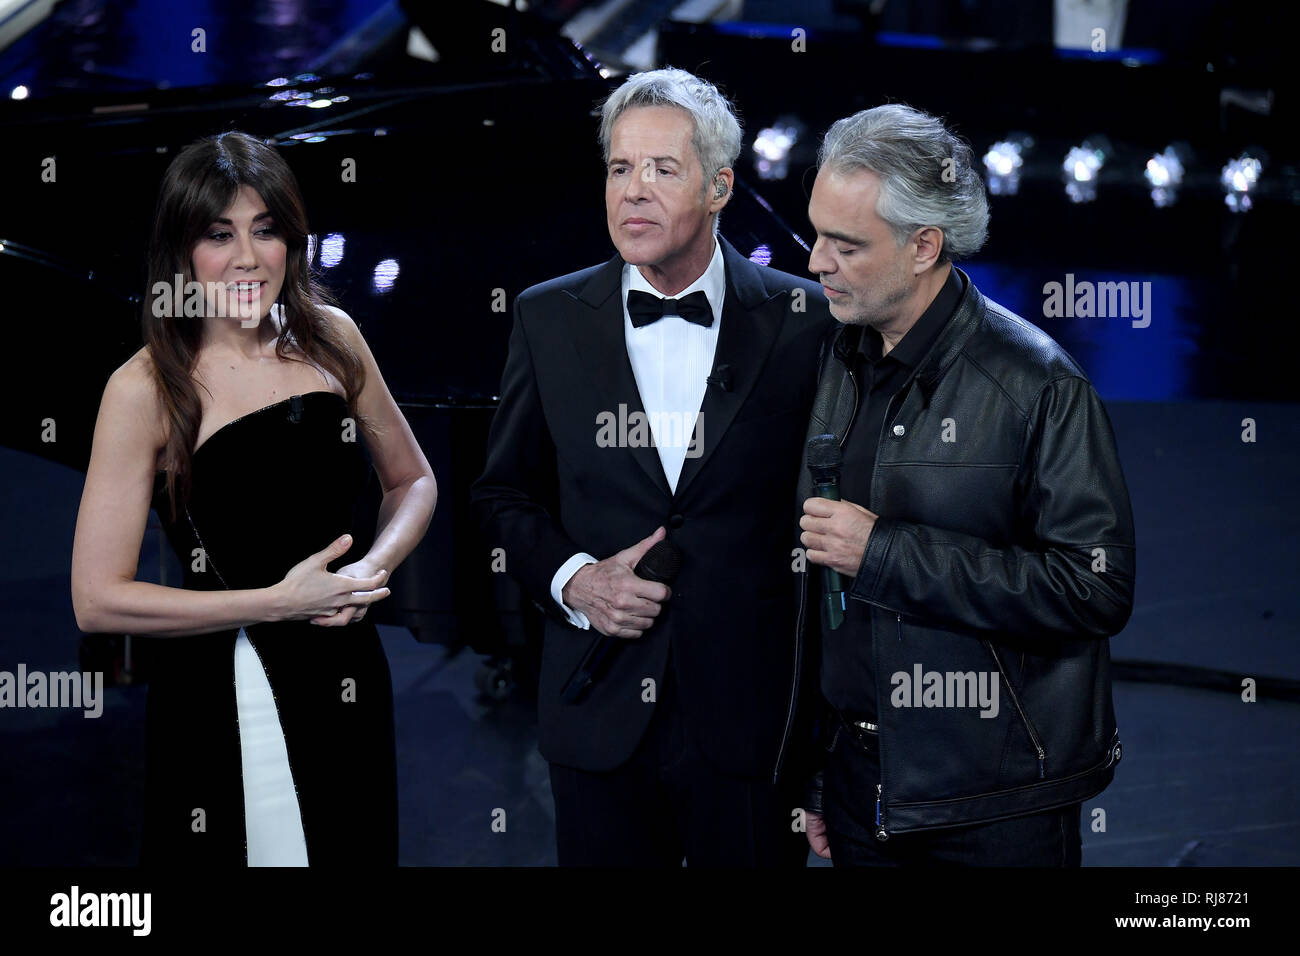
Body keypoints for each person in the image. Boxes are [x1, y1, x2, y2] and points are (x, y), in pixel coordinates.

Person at [472, 68, 833, 866]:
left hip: (751, 721)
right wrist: (573, 580)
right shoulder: (546, 316)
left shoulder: (803, 320)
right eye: (619, 168)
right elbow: (501, 493)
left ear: (719, 186)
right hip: (597, 703)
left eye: (663, 169)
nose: (634, 191)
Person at [70, 131, 437, 866]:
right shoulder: (144, 388)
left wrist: (374, 568)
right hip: (226, 683)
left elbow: (412, 480)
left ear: (292, 243)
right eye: (218, 234)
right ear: (182, 251)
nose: (246, 257)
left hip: (345, 671)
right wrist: (276, 602)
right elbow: (97, 600)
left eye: (265, 231)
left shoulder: (333, 338)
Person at [796, 104, 1135, 865]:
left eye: (845, 245)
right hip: (860, 786)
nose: (816, 261)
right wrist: (821, 773)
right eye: (817, 234)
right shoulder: (831, 361)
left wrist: (885, 553)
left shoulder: (1038, 382)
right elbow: (827, 617)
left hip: (997, 807)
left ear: (924, 246)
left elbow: (1095, 588)